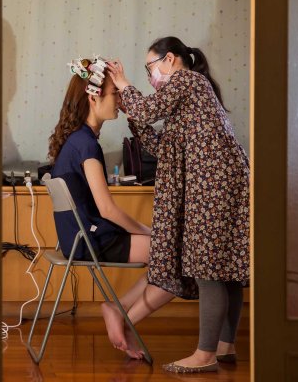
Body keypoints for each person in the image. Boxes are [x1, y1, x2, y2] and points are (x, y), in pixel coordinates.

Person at [107, 36, 250, 373]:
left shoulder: (187, 80)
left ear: (169, 59)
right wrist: (134, 117)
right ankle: (225, 346)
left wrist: (124, 84)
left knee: (207, 268)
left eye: (150, 68)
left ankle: (205, 354)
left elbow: (146, 108)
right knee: (226, 270)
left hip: (214, 187)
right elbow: (163, 149)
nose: (150, 76)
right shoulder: (187, 97)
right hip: (218, 186)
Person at [49, 56, 164, 359]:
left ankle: (119, 308)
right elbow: (108, 210)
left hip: (76, 239)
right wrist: (148, 232)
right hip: (90, 240)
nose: (120, 100)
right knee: (175, 256)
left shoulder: (78, 140)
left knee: (169, 255)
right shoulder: (86, 144)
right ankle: (122, 314)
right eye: (115, 93)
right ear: (93, 96)